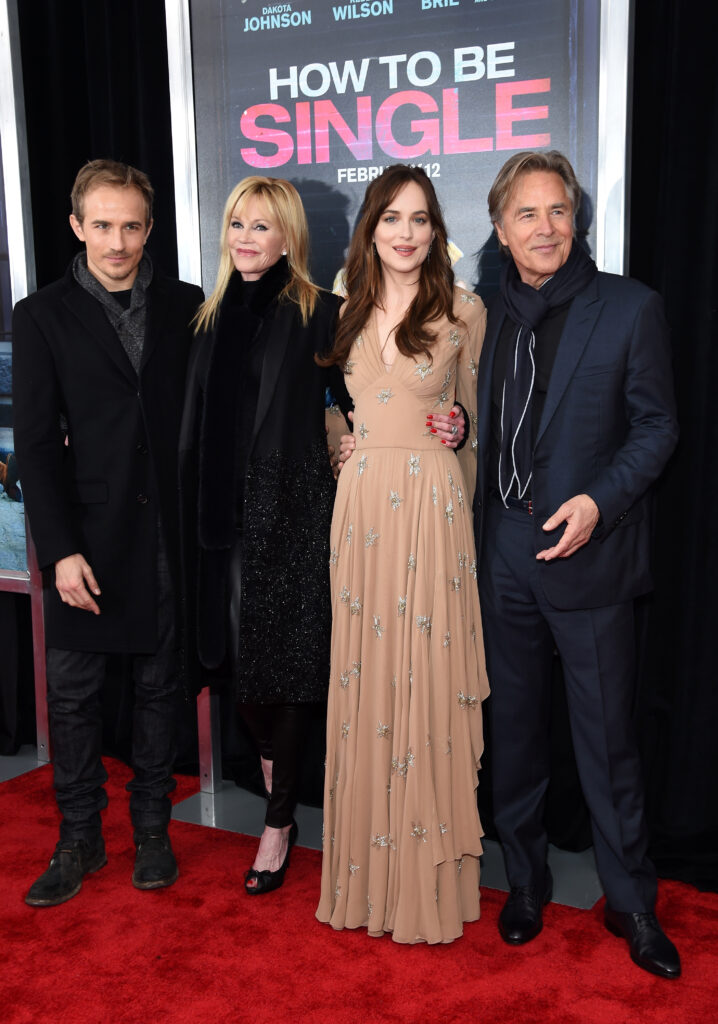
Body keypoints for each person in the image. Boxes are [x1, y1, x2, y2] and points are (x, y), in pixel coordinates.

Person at [474, 150, 681, 977]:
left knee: (606, 743)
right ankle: (524, 886)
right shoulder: (480, 313)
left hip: (590, 557)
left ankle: (631, 903)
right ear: (500, 228)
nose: (545, 227)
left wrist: (598, 502)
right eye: (526, 213)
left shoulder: (631, 308)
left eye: (558, 210)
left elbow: (657, 427)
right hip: (502, 555)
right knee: (515, 737)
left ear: (577, 218)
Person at [12, 159, 204, 906]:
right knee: (73, 696)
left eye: (131, 226)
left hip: (165, 535)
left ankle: (152, 829)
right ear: (76, 226)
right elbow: (33, 443)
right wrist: (58, 549)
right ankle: (79, 836)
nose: (117, 242)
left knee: (161, 689)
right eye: (102, 225)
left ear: (149, 228)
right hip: (83, 541)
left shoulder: (187, 306)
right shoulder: (41, 315)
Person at [316, 165, 489, 944]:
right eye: (393, 217)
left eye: (421, 218)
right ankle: (367, 879)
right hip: (361, 512)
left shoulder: (463, 310)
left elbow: (475, 422)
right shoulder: (339, 305)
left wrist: (458, 428)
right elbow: (322, 404)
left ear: (436, 230)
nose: (407, 232)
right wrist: (338, 441)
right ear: (371, 226)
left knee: (424, 679)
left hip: (429, 509)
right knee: (367, 680)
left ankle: (424, 882)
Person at [179, 176, 350, 894]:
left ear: (289, 238)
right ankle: (282, 802)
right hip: (220, 524)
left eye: (261, 227)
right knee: (243, 676)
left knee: (288, 672)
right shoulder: (208, 316)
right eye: (237, 225)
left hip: (293, 517)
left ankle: (278, 822)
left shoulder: (321, 312)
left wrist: (348, 433)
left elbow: (360, 395)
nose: (246, 239)